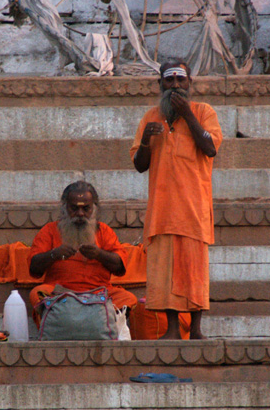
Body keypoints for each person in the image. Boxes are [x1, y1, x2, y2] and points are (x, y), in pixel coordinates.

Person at [130, 59, 223, 339]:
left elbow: (209, 147)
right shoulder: (150, 117)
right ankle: (171, 329)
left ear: (189, 84)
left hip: (193, 209)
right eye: (169, 81)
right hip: (162, 211)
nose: (175, 86)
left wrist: (188, 117)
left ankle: (195, 330)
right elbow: (139, 164)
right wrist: (146, 140)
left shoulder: (204, 112)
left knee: (194, 271)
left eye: (180, 80)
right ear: (160, 85)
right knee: (164, 272)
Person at [28, 181, 138, 325]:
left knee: (127, 298)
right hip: (60, 294)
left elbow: (119, 266)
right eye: (74, 208)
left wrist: (99, 254)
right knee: (38, 293)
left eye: (86, 209)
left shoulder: (104, 231)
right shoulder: (49, 230)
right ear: (64, 208)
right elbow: (34, 268)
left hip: (99, 294)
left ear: (95, 209)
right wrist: (54, 254)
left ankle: (103, 325)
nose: (80, 214)